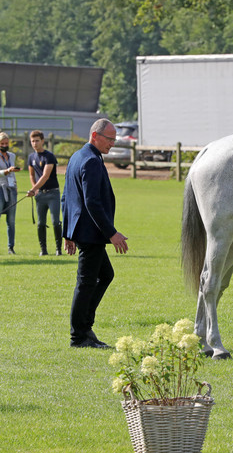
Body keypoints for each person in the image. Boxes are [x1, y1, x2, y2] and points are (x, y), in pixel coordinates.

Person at [62, 118, 129, 348]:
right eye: (109, 139)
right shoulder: (90, 160)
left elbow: (68, 197)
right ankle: (79, 336)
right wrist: (112, 233)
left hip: (84, 232)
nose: (112, 143)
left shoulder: (78, 156)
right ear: (95, 136)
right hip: (91, 234)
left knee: (105, 275)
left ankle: (85, 327)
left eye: (114, 139)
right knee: (86, 283)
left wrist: (67, 233)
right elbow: (91, 202)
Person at [27, 130, 62, 256]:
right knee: (40, 223)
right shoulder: (31, 157)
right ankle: (44, 250)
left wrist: (33, 189)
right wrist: (35, 189)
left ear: (42, 141)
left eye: (37, 140)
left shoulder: (49, 156)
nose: (35, 143)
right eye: (32, 141)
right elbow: (31, 174)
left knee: (55, 221)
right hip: (40, 195)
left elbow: (45, 176)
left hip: (53, 194)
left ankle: (58, 249)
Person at [1, 132, 21, 254]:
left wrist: (15, 184)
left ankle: (11, 247)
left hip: (11, 189)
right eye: (2, 143)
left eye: (6, 143)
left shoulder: (12, 156)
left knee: (11, 220)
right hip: (0, 189)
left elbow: (12, 173)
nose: (4, 145)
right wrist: (7, 171)